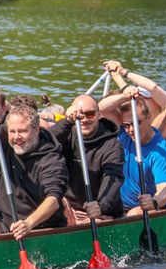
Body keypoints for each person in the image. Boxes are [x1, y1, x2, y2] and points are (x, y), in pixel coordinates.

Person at [0, 102, 67, 239]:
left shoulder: (51, 160)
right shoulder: (8, 142)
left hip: (40, 228)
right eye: (12, 131)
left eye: (23, 131)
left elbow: (53, 200)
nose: (16, 137)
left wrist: (28, 224)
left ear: (37, 130)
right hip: (8, 224)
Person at [46, 94, 125, 223]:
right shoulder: (67, 133)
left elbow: (113, 178)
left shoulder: (112, 145)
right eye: (80, 115)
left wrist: (100, 206)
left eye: (90, 114)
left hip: (100, 212)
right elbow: (44, 143)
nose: (84, 119)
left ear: (99, 115)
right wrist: (67, 121)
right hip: (69, 209)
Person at [101, 86, 166, 216]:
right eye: (127, 125)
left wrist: (154, 202)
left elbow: (165, 190)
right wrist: (124, 96)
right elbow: (102, 109)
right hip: (119, 206)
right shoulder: (124, 131)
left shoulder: (159, 151)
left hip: (149, 208)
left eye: (136, 123)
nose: (131, 130)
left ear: (149, 117)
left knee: (133, 214)